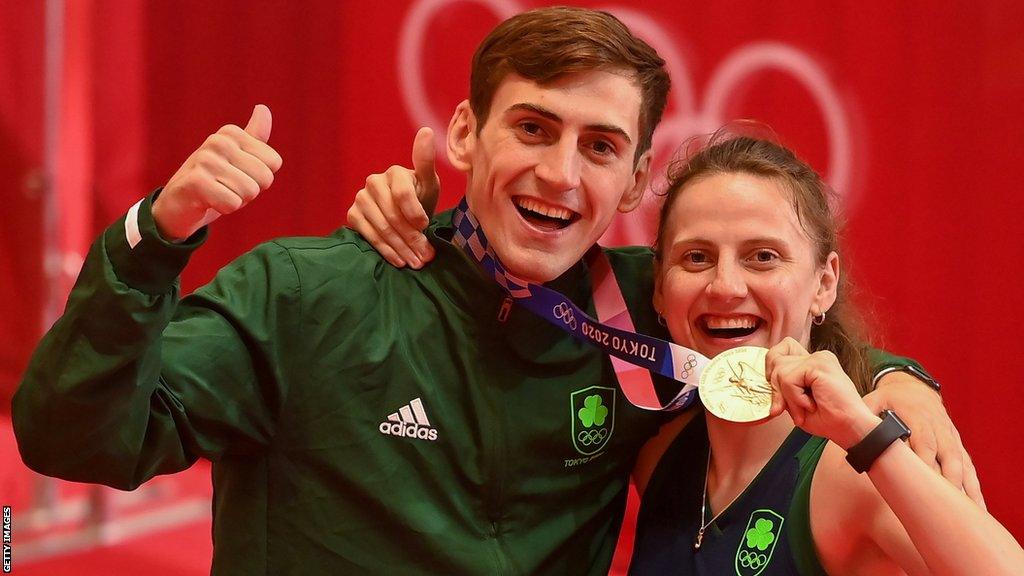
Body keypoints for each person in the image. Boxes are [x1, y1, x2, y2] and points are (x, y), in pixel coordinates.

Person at [14, 7, 967, 575]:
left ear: (634, 183)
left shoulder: (647, 308)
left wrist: (902, 383)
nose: (560, 173)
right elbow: (70, 437)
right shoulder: (309, 294)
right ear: (467, 135)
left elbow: (771, 332)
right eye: (534, 128)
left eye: (599, 147)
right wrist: (153, 238)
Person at [627, 134, 1023, 574]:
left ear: (824, 284)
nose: (725, 287)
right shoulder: (658, 453)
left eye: (762, 256)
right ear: (660, 288)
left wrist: (864, 434)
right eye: (697, 257)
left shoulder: (850, 473)